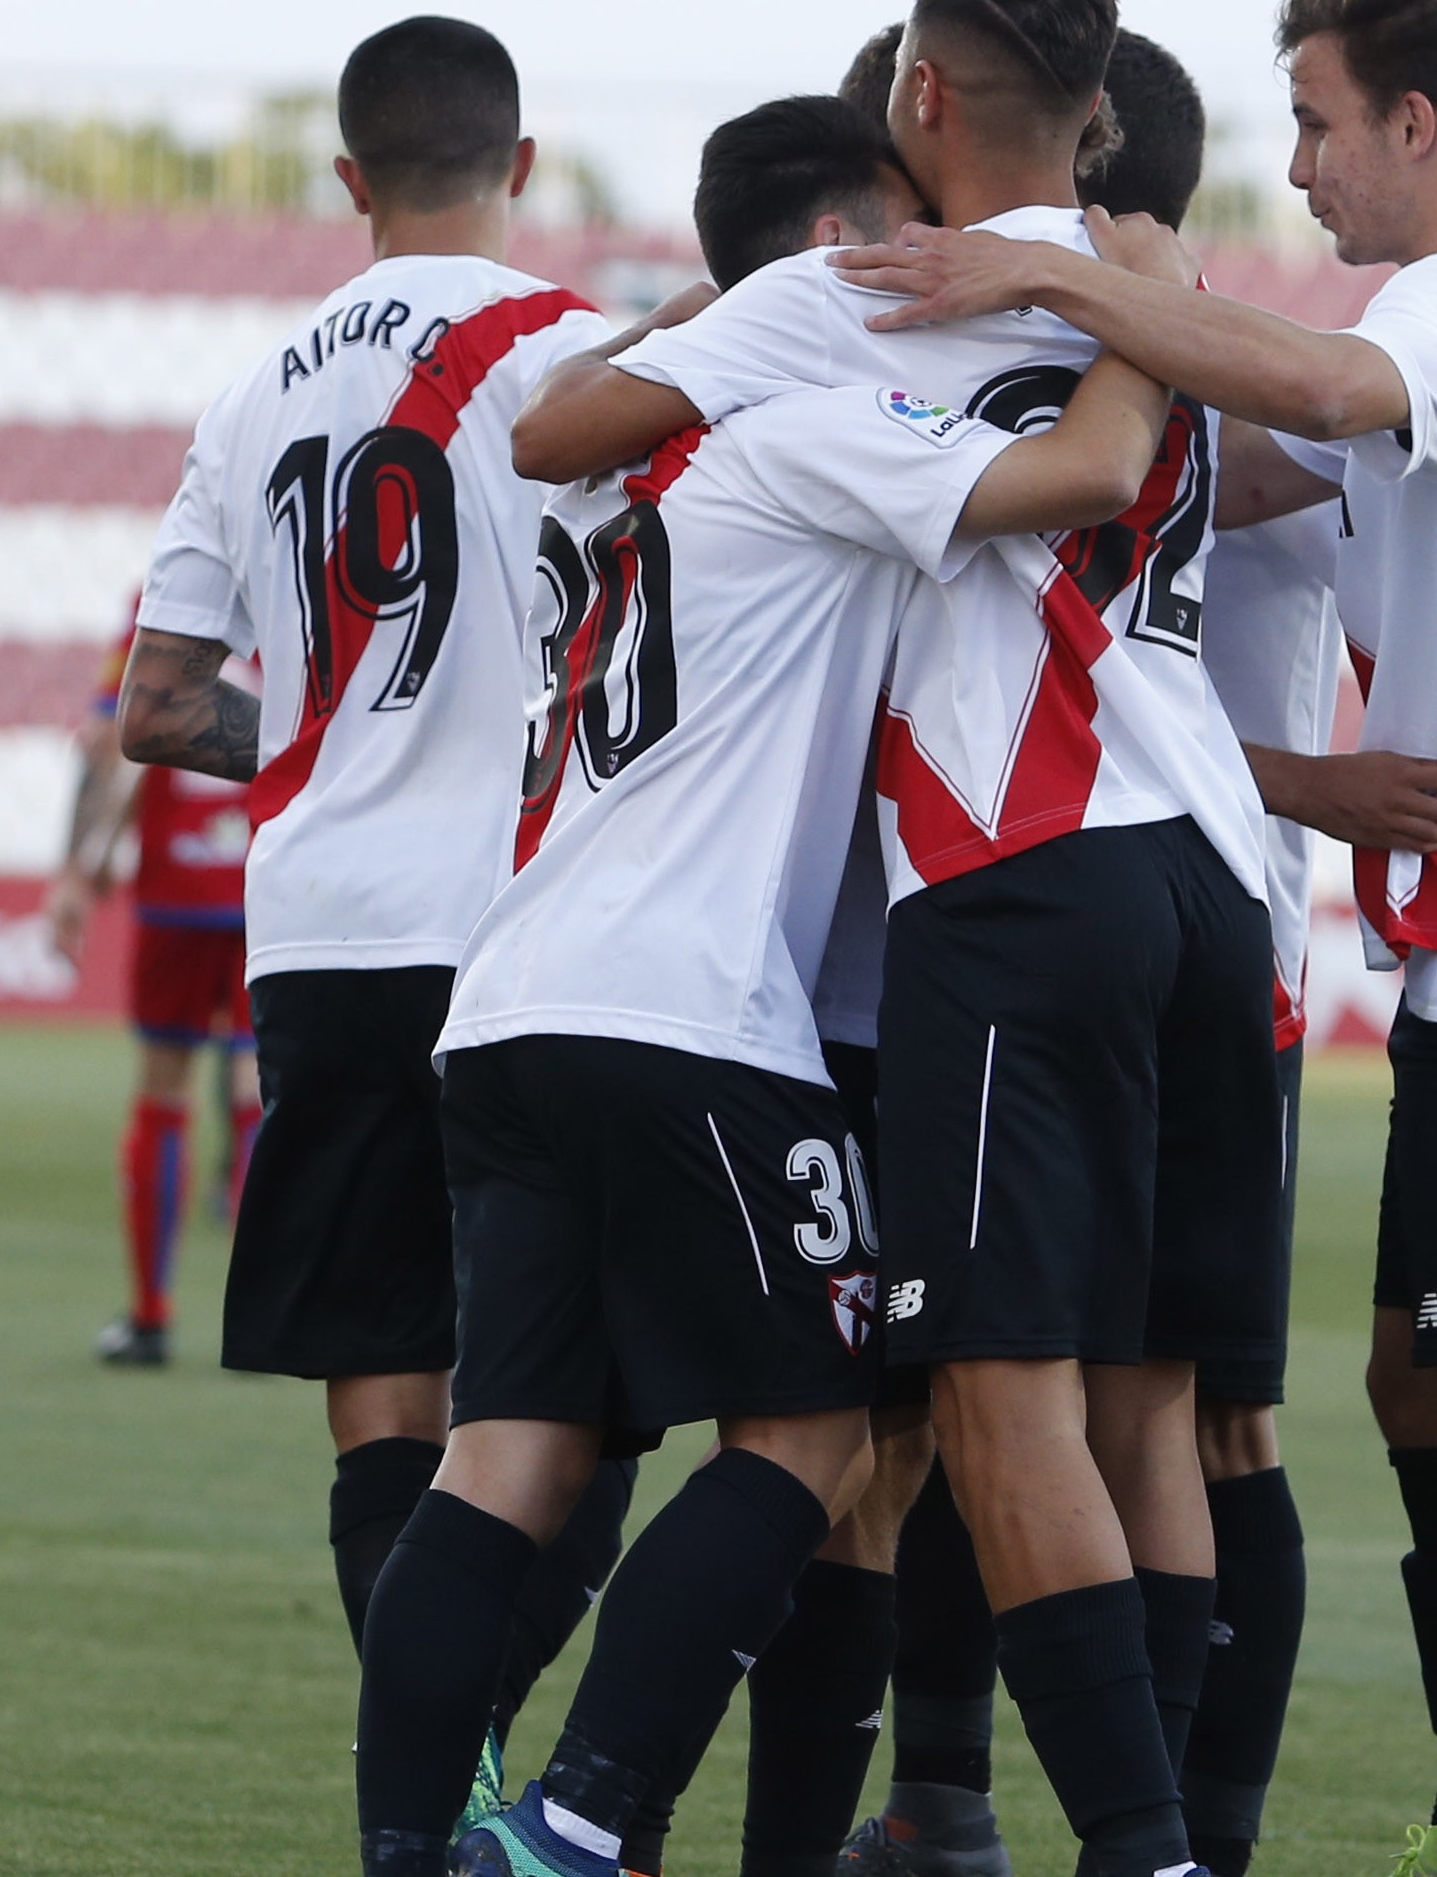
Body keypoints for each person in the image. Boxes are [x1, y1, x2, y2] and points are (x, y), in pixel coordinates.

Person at [837, 0, 1437, 1877]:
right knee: (1418, 1377)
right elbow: (1239, 460)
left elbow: (1318, 377)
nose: (1301, 170)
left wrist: (1064, 271)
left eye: (1319, 126)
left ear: (1420, 123)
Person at [368, 91, 1206, 1877]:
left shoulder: (590, 463)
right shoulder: (817, 419)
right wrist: (1150, 295)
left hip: (507, 1000)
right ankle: (580, 1822)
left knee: (504, 1451)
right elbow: (1080, 476)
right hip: (691, 1013)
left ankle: (403, 1841)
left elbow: (556, 418)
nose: (934, 272)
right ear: (838, 257)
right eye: (901, 242)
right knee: (817, 1427)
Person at [517, 0, 1281, 1877]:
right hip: (1219, 885)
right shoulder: (1156, 295)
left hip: (1016, 871)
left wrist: (701, 345)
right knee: (1158, 1411)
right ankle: (1152, 1820)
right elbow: (1258, 446)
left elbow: (551, 441)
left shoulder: (854, 303)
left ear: (914, 100)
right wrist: (1132, 267)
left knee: (987, 1399)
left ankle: (1128, 1842)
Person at [835, 27, 1375, 1877]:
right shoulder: (1180, 341)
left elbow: (1123, 500)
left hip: (1092, 887)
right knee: (1081, 1403)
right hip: (1199, 904)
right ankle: (975, 1796)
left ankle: (1153, 1837)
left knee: (1075, 1398)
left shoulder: (1176, 345)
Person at [117, 14, 635, 1852]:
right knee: (577, 1399)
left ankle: (436, 1791)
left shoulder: (249, 394)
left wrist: (320, 740)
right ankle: (467, 1780)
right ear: (519, 161)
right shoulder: (577, 351)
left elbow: (159, 705)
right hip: (528, 930)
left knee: (380, 1398)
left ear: (349, 176)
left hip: (321, 932)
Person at [45, 602, 263, 1369]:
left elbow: (116, 738)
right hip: (265, 879)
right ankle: (262, 1321)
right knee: (255, 1087)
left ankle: (151, 1316)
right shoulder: (299, 569)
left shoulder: (164, 597)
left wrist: (82, 864)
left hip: (177, 878)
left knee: (163, 1092)